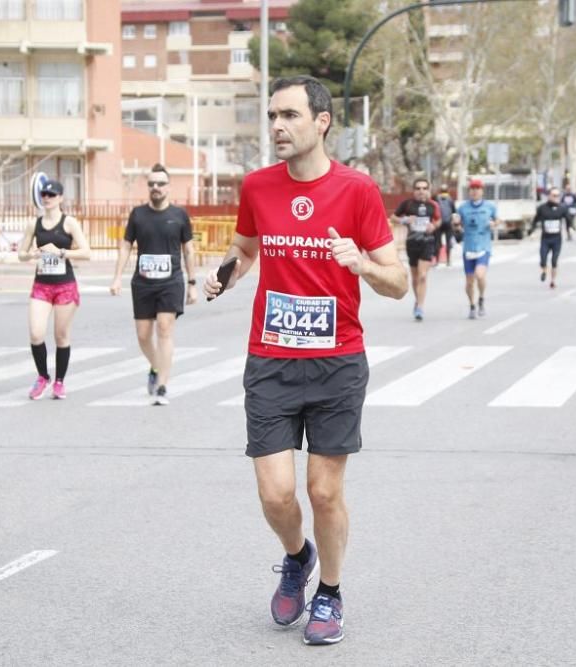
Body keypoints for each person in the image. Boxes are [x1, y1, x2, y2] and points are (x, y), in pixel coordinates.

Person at [202, 75, 407, 646]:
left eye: (289, 115)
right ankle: (298, 555)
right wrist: (225, 274)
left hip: (337, 361)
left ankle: (331, 593)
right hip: (270, 359)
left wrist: (362, 265)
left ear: (321, 122)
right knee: (275, 494)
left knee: (323, 491)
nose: (276, 127)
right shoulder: (258, 187)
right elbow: (245, 249)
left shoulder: (358, 191)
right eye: (272, 116)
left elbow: (399, 283)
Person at [110, 164, 197, 405]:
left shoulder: (179, 215)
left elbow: (188, 249)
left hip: (171, 282)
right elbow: (126, 245)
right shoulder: (138, 214)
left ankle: (162, 387)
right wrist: (117, 277)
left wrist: (192, 282)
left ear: (169, 187)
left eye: (160, 184)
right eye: (151, 184)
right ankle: (157, 366)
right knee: (143, 335)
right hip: (143, 283)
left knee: (164, 328)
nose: (155, 188)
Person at [18, 179, 91, 399]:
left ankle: (59, 381)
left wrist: (61, 252)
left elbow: (86, 252)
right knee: (36, 332)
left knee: (61, 335)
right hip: (41, 285)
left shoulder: (69, 223)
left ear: (60, 198)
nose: (47, 198)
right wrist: (30, 255)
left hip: (64, 285)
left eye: (51, 194)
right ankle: (43, 377)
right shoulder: (35, 224)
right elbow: (21, 253)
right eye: (44, 195)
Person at [391, 178, 438, 320]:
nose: (421, 191)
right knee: (415, 277)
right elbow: (393, 217)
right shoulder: (407, 204)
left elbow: (438, 219)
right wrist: (404, 220)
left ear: (428, 190)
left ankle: (420, 307)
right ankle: (418, 301)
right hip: (412, 243)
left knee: (423, 275)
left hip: (427, 242)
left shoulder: (433, 205)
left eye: (424, 188)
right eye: (418, 188)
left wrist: (433, 226)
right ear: (414, 190)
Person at [452, 178, 499, 319]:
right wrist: (455, 224)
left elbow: (497, 220)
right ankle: (472, 305)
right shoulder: (463, 207)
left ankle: (482, 298)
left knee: (480, 275)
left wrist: (493, 224)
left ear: (482, 191)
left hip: (483, 247)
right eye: (472, 189)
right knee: (469, 281)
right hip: (469, 247)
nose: (474, 191)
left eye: (477, 188)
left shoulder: (490, 207)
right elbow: (457, 226)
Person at [529, 187, 573, 289]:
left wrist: (570, 230)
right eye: (553, 195)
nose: (555, 197)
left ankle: (553, 281)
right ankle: (544, 270)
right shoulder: (542, 208)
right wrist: (531, 230)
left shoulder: (562, 208)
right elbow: (535, 220)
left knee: (554, 260)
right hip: (545, 238)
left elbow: (568, 220)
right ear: (549, 196)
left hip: (557, 239)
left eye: (557, 195)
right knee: (543, 259)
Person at [433, 185, 456, 268]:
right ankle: (448, 261)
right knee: (448, 242)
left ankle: (437, 261)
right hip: (448, 223)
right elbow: (453, 211)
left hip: (439, 222)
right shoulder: (450, 199)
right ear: (447, 190)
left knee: (437, 242)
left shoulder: (436, 198)